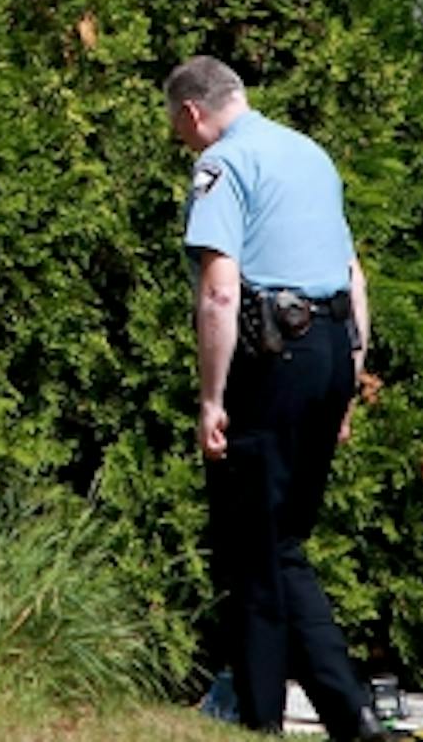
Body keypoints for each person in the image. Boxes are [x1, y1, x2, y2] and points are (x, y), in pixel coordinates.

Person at [164, 55, 384, 741]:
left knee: (253, 545)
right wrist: (349, 379)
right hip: (329, 354)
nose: (180, 138)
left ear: (194, 112)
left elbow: (222, 289)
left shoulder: (223, 166)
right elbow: (354, 279)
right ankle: (345, 716)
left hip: (271, 359)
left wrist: (210, 397)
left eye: (177, 125)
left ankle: (275, 719)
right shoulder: (310, 155)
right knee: (278, 543)